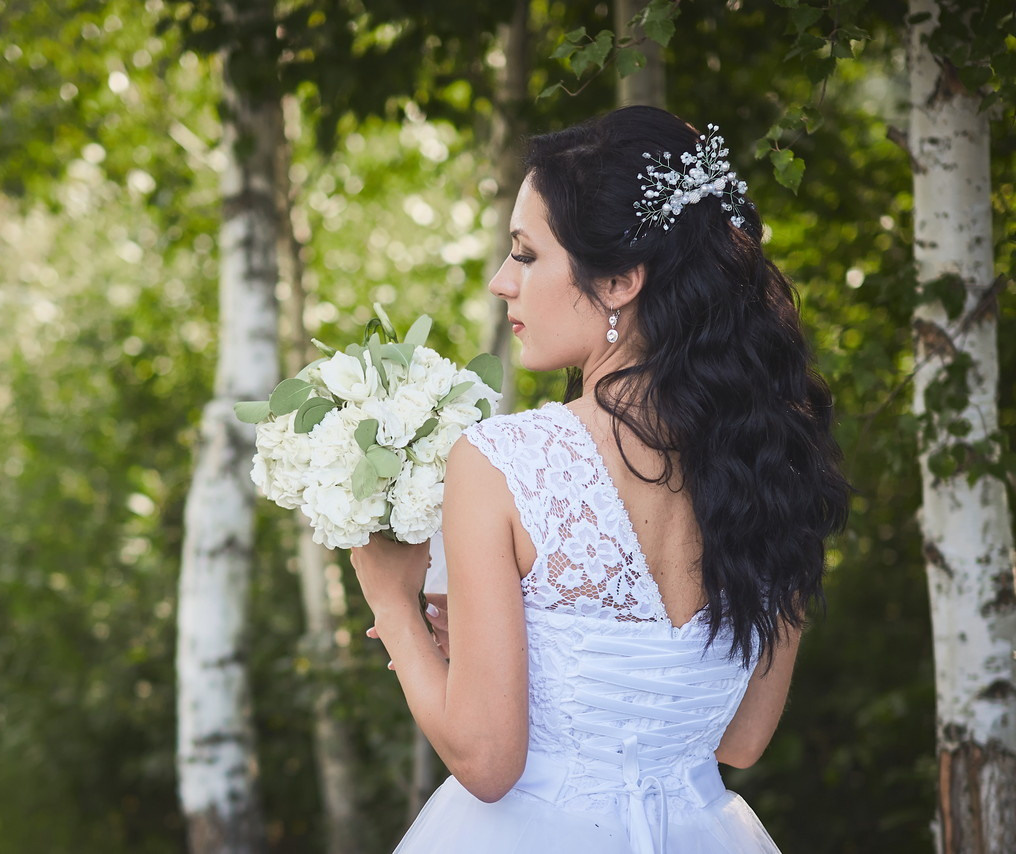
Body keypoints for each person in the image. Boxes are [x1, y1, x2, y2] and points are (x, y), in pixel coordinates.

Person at [349, 105, 849, 854]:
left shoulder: (502, 459)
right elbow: (741, 740)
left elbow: (487, 762)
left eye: (525, 255)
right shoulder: (776, 461)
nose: (499, 282)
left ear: (619, 280)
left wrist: (393, 605)